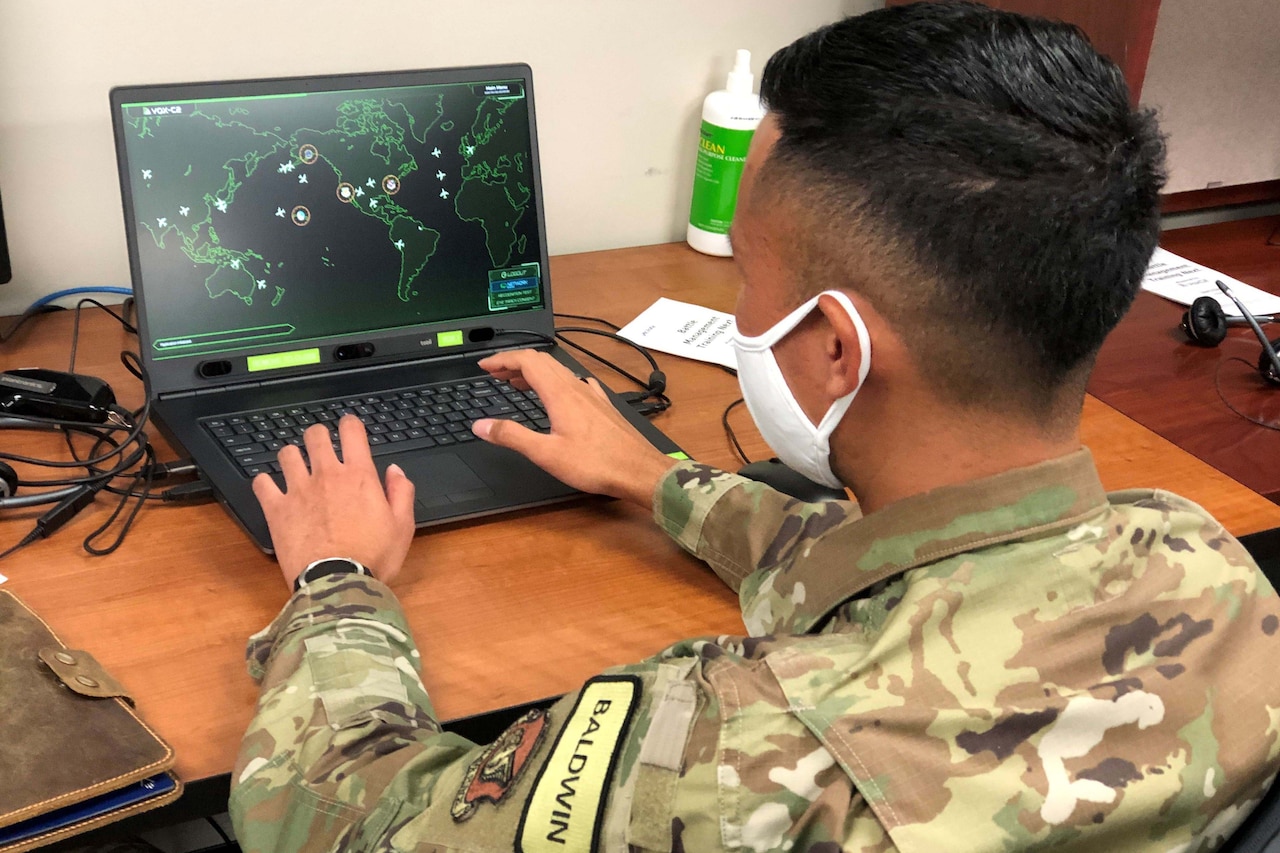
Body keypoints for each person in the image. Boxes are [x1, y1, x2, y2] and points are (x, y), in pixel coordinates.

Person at [229, 4, 1280, 852]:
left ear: (834, 347)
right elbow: (909, 574)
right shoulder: (1208, 568)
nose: (738, 308)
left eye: (743, 273)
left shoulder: (721, 763)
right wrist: (657, 481)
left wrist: (334, 586)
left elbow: (337, 819)